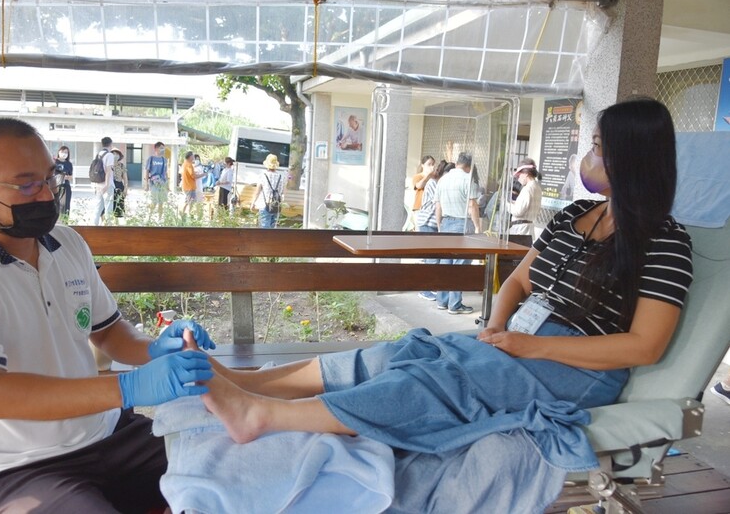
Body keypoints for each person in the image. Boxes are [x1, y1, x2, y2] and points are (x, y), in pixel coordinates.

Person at [194, 99, 693, 511]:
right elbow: (517, 282)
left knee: (430, 380)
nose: (589, 154)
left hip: (576, 365)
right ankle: (249, 382)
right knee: (402, 354)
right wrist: (496, 328)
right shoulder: (576, 215)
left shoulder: (665, 242)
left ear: (631, 156)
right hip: (517, 340)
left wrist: (530, 347)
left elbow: (644, 347)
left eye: (599, 146)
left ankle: (262, 415)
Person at [0, 118, 217, 511]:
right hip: (17, 464)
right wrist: (128, 388)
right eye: (26, 185)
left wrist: (156, 348)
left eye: (49, 178)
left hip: (108, 433)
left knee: (231, 474)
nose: (46, 194)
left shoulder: (66, 244)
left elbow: (108, 333)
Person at [434, 151, 482, 314]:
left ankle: (442, 301)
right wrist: (477, 226)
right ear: (469, 166)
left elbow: (438, 206)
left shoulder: (443, 179)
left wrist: (440, 225)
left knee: (445, 264)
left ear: (457, 162)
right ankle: (455, 305)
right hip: (462, 224)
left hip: (446, 223)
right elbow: (472, 206)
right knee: (460, 266)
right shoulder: (468, 180)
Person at [415, 160, 450, 301]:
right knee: (431, 259)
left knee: (434, 258)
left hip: (433, 224)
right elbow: (437, 205)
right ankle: (424, 290)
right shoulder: (433, 183)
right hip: (427, 223)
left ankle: (431, 287)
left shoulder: (438, 183)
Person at [509, 157, 542, 239]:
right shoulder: (537, 187)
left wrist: (506, 205)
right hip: (529, 229)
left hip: (520, 230)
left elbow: (518, 211)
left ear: (526, 173)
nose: (518, 179)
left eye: (519, 175)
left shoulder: (527, 189)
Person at [251, 153, 285, 229]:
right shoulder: (281, 177)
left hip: (264, 205)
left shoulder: (263, 176)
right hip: (276, 206)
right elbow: (283, 192)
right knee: (273, 228)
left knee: (264, 228)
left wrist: (253, 203)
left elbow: (257, 192)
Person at [91, 136, 115, 226]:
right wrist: (107, 185)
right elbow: (108, 171)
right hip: (107, 185)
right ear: (110, 144)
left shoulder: (98, 154)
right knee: (109, 208)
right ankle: (109, 228)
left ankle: (94, 226)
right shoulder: (109, 155)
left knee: (98, 208)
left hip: (98, 184)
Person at [143, 141, 168, 219]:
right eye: (161, 148)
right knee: (154, 201)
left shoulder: (164, 160)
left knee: (161, 202)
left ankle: (160, 219)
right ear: (156, 148)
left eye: (163, 148)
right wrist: (146, 184)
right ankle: (149, 217)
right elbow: (147, 171)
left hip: (162, 183)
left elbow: (165, 173)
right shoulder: (151, 159)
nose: (163, 149)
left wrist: (167, 184)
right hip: (153, 183)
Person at [411, 155, 436, 220]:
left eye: (433, 164)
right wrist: (428, 175)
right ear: (423, 165)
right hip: (419, 207)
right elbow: (419, 186)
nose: (431, 166)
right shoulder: (418, 176)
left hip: (430, 208)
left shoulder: (434, 178)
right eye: (429, 164)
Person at [180, 150, 202, 216]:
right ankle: (186, 214)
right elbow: (193, 176)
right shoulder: (189, 165)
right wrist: (203, 174)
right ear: (190, 157)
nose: (194, 158)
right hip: (189, 187)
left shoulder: (184, 164)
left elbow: (190, 174)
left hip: (187, 186)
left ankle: (184, 213)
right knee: (189, 202)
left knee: (189, 201)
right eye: (193, 156)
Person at [54, 145, 73, 218]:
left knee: (66, 205)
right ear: (59, 152)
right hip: (56, 186)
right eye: (62, 152)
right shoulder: (54, 162)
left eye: (66, 152)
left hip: (66, 186)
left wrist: (67, 177)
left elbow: (71, 176)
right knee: (56, 205)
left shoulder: (69, 164)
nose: (64, 154)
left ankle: (65, 221)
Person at [111, 149, 128, 221]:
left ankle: (116, 222)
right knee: (110, 204)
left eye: (116, 154)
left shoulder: (121, 165)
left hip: (119, 185)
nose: (115, 155)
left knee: (118, 205)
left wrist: (126, 189)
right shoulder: (109, 165)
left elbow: (125, 178)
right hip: (111, 185)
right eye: (113, 154)